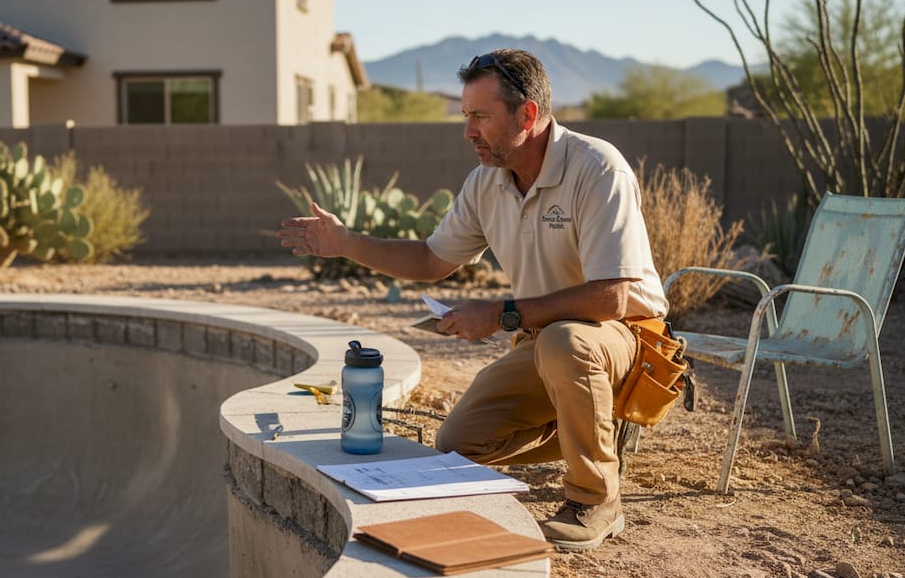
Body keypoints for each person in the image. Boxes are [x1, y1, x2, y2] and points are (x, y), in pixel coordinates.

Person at [276, 48, 668, 551]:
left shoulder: (597, 169)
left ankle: (596, 498)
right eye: (466, 116)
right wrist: (347, 243)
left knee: (567, 344)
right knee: (459, 443)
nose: (468, 131)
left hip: (628, 341)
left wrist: (503, 314)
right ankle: (593, 429)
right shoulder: (486, 182)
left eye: (479, 116)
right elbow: (430, 261)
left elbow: (612, 297)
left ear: (527, 114)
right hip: (548, 339)